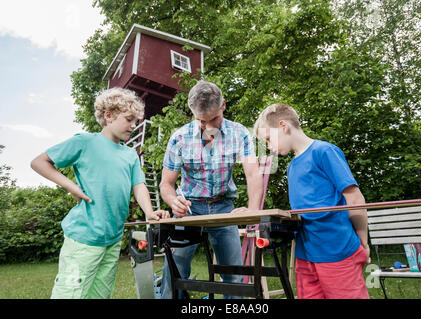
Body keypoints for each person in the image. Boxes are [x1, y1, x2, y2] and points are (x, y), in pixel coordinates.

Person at [30, 87, 170, 299]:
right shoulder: (85, 142)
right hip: (84, 238)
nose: (134, 126)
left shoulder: (130, 155)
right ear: (109, 115)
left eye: (136, 121)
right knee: (70, 295)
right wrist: (72, 186)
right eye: (129, 119)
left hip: (112, 238)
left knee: (100, 295)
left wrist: (149, 213)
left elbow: (139, 186)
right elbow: (39, 162)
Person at [253, 103, 370, 299]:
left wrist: (363, 240)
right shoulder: (291, 167)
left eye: (268, 139)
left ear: (284, 126)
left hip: (336, 250)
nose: (269, 146)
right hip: (306, 254)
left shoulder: (324, 151)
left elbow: (354, 197)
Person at [159, 80, 263, 299]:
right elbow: (166, 184)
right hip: (188, 209)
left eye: (213, 119)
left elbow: (253, 174)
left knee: (233, 274)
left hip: (223, 207)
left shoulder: (240, 133)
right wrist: (172, 201)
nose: (208, 127)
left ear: (223, 105)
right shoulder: (179, 138)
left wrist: (253, 211)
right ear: (192, 112)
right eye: (201, 121)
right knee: (174, 269)